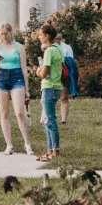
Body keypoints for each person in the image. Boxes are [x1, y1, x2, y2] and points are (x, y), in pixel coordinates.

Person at [0, 24, 29, 155]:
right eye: (1, 33)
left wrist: (27, 88)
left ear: (11, 32)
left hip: (17, 76)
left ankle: (27, 144)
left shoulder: (19, 47)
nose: (3, 36)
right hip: (1, 77)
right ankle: (9, 145)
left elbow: (24, 68)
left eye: (6, 33)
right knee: (4, 113)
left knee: (19, 112)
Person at [34, 23, 68, 163]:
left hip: (48, 87)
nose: (39, 37)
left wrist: (37, 71)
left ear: (47, 36)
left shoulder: (48, 51)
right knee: (49, 120)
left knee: (50, 120)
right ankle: (50, 151)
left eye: (41, 35)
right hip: (57, 86)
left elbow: (44, 72)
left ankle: (54, 151)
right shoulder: (58, 49)